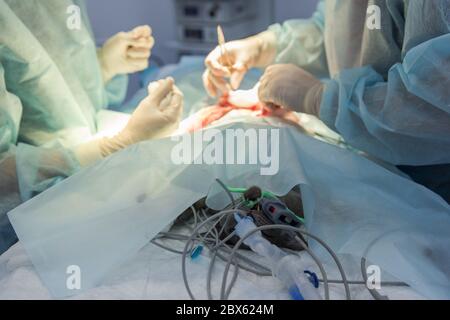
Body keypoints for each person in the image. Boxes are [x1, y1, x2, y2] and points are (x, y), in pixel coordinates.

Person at [203, 0, 450, 203]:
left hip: (430, 193)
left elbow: (431, 107)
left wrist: (318, 97)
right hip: (372, 166)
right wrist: (263, 46)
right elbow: (338, 30)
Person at [0, 0, 183, 253]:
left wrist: (104, 65)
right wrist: (115, 146)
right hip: (19, 235)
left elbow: (49, 94)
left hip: (74, 195)